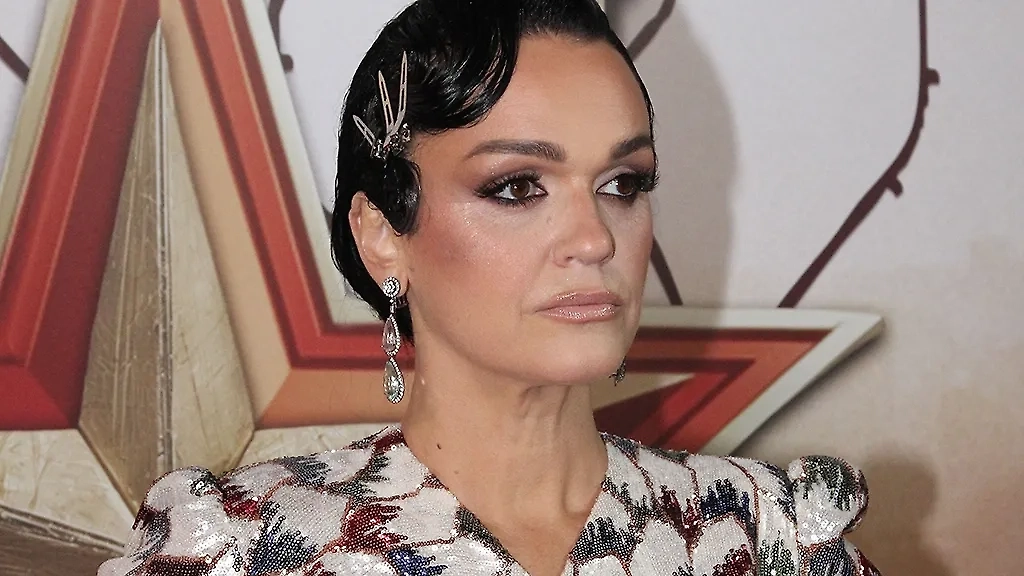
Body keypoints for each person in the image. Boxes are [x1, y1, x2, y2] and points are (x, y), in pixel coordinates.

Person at [99, 1, 880, 575]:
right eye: (516, 187)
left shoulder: (766, 537)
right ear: (383, 235)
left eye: (622, 182)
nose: (595, 239)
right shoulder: (250, 550)